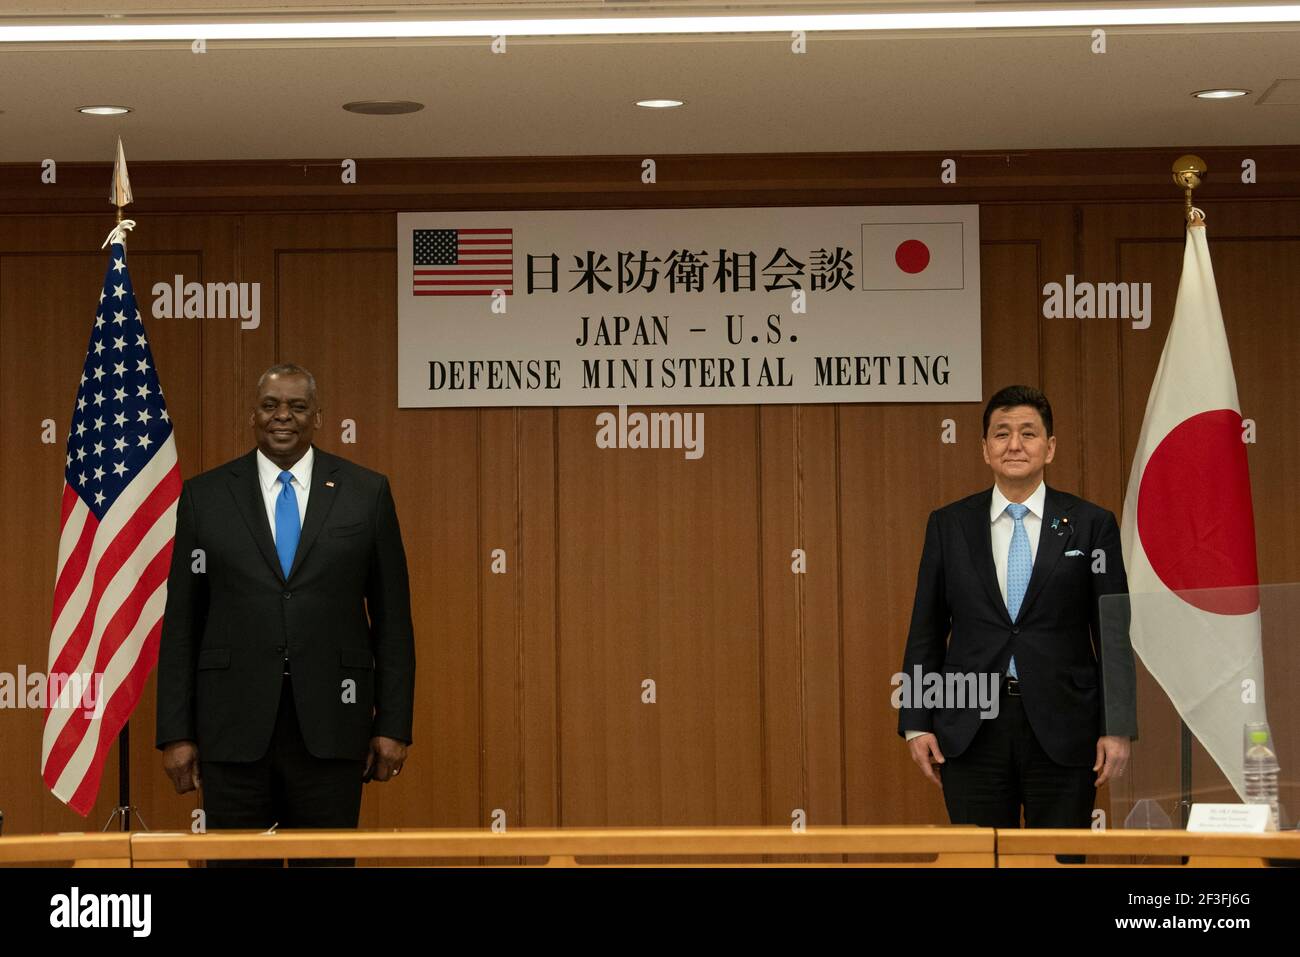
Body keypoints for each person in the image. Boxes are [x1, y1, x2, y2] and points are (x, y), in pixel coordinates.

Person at [156, 362, 415, 848]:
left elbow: (393, 620)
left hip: (334, 727)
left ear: (318, 416)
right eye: (271, 406)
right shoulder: (204, 497)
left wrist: (393, 724)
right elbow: (182, 623)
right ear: (252, 414)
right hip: (231, 730)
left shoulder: (367, 493)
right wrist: (176, 733)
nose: (283, 417)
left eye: (297, 407)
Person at [898, 384, 1136, 829]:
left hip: (1066, 727)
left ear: (1050, 448)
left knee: (1060, 860)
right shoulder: (949, 525)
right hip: (971, 728)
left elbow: (1113, 634)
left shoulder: (1091, 525)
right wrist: (916, 721)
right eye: (1001, 433)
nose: (1014, 445)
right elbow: (926, 628)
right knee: (980, 862)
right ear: (985, 449)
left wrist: (1117, 725)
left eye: (1028, 433)